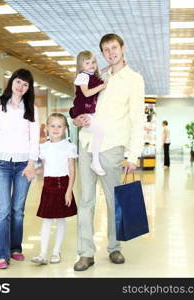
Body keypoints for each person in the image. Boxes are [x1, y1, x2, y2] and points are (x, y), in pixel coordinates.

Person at [72, 33, 145, 271]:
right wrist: (77, 119)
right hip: (86, 144)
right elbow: (81, 105)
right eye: (106, 49)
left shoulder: (134, 79)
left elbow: (137, 118)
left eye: (114, 48)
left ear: (123, 48)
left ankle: (114, 248)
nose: (110, 53)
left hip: (111, 147)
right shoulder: (96, 75)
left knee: (115, 201)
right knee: (85, 201)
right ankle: (86, 253)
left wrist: (133, 155)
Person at [0, 68, 39, 269]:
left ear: (29, 88)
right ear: (12, 82)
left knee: (18, 211)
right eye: (18, 82)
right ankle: (1, 255)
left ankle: (15, 248)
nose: (21, 87)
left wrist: (31, 164)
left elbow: (34, 139)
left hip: (23, 165)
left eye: (25, 84)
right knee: (3, 211)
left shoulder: (31, 109)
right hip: (1, 163)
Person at [31, 113, 78, 265]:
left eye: (59, 126)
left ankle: (56, 251)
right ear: (47, 128)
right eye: (53, 126)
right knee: (46, 220)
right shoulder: (43, 147)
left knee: (60, 220)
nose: (56, 129)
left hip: (63, 185)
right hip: (48, 185)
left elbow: (72, 171)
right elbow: (45, 169)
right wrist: (32, 172)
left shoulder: (69, 147)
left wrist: (69, 191)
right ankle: (43, 253)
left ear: (65, 128)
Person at [69, 50, 107, 176]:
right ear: (81, 66)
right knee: (100, 131)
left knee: (98, 132)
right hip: (82, 111)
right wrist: (102, 86)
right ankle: (95, 161)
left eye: (93, 62)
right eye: (87, 63)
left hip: (88, 111)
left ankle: (95, 160)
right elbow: (86, 93)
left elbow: (102, 72)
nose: (92, 64)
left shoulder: (91, 76)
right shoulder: (82, 76)